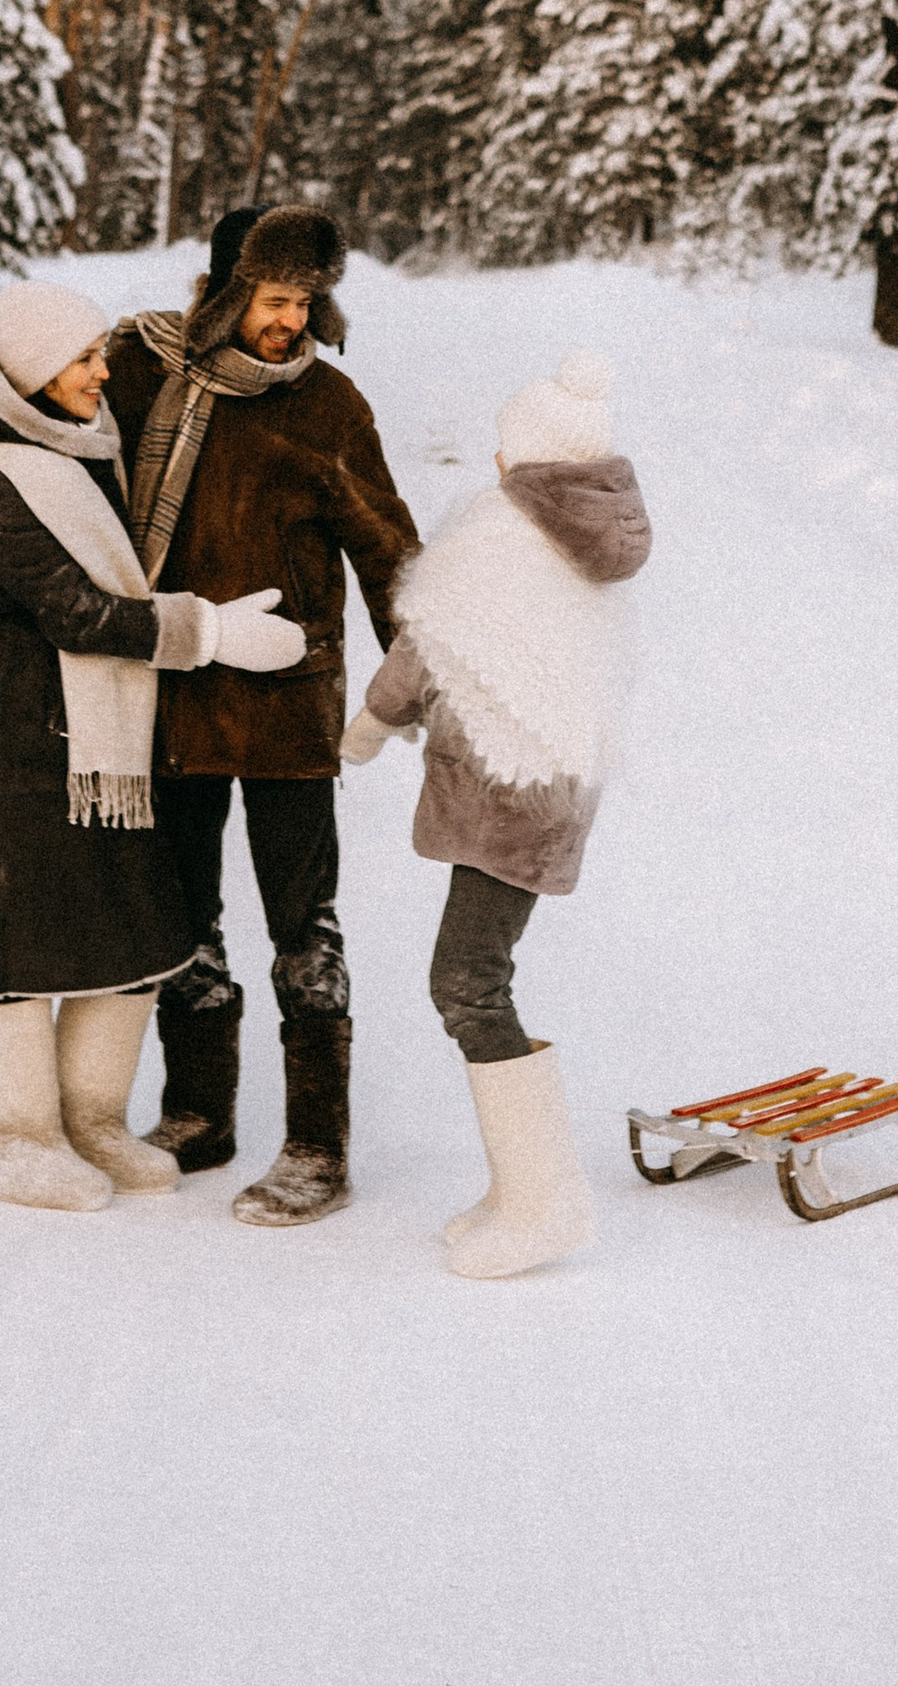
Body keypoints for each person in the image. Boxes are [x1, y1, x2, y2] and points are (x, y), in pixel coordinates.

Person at [0, 277, 306, 1213]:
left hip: (106, 739)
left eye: (103, 351)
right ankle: (20, 1139)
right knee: (19, 938)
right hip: (22, 739)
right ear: (32, 371)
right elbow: (78, 609)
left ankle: (93, 1118)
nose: (105, 373)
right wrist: (209, 635)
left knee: (140, 927)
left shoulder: (79, 443)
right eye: (86, 358)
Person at [105, 204, 420, 1227]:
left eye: (304, 301)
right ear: (225, 290)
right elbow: (53, 446)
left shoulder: (326, 405)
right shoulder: (142, 369)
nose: (291, 320)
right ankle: (200, 1112)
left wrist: (423, 674)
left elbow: (386, 546)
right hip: (175, 696)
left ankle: (317, 1144)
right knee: (179, 919)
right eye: (273, 299)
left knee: (304, 929)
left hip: (286, 707)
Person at [340, 348, 650, 1279]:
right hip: (551, 788)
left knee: (467, 983)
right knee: (478, 976)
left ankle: (545, 1202)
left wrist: (361, 732)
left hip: (505, 791)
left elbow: (422, 650)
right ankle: (520, 1189)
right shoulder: (594, 526)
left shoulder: (500, 533)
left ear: (521, 461)